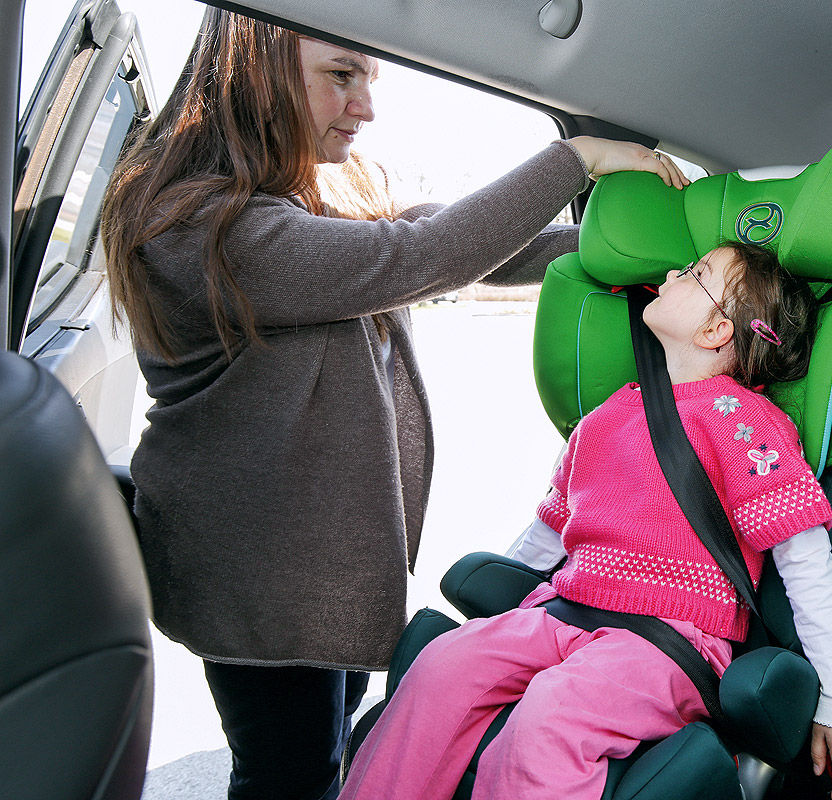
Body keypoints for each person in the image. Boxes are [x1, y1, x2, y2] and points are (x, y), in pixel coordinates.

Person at [99, 8, 687, 800]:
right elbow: (417, 256)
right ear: (255, 68)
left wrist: (625, 253)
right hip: (258, 578)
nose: (365, 107)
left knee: (319, 756)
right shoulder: (205, 226)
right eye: (341, 74)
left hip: (306, 573)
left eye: (369, 80)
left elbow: (439, 236)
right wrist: (574, 157)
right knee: (287, 776)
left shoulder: (287, 214)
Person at [340, 241, 832, 800]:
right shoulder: (607, 415)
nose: (672, 269)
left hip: (668, 638)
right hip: (562, 612)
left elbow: (806, 563)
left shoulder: (742, 421)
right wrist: (505, 598)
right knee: (440, 668)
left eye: (696, 274)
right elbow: (550, 532)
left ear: (718, 330)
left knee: (551, 717)